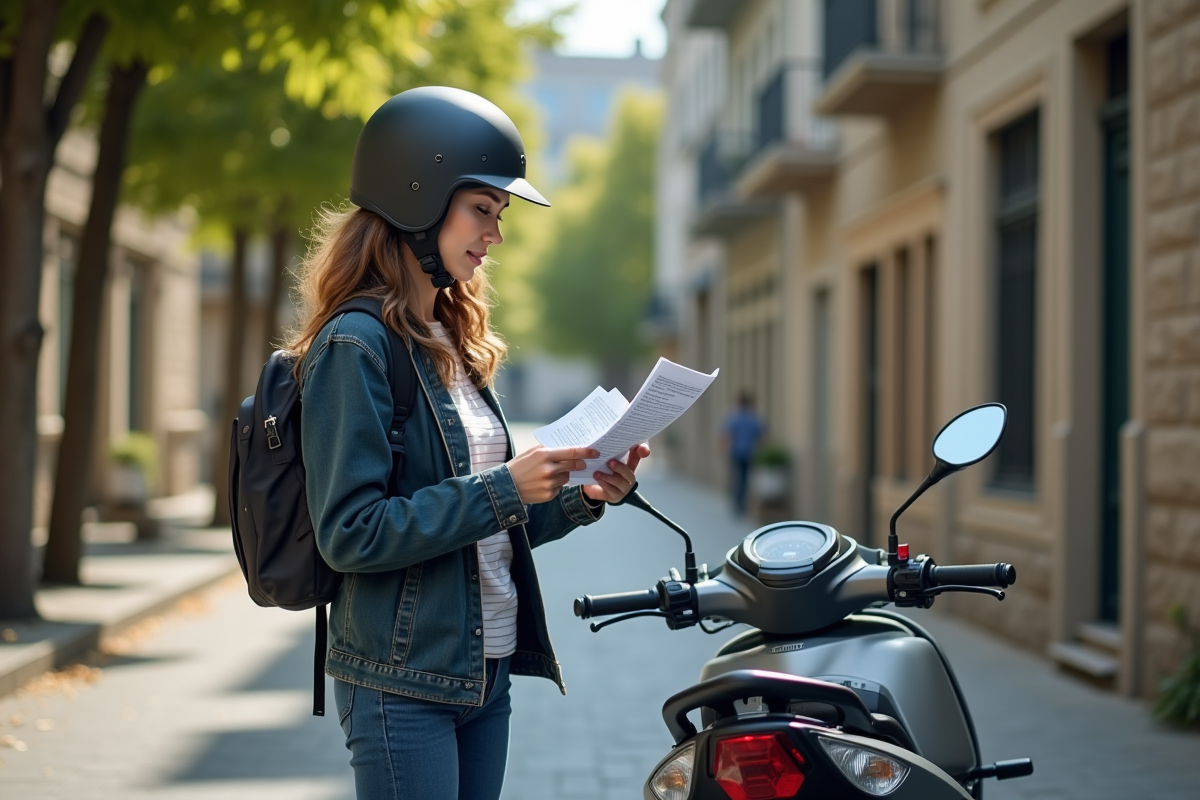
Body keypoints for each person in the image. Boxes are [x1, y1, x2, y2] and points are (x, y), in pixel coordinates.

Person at [287, 86, 649, 800]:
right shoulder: (355, 348)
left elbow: (482, 529)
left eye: (499, 214)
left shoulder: (449, 345)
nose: (496, 233)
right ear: (415, 196)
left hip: (485, 672)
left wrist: (581, 495)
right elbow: (350, 533)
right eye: (483, 209)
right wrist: (504, 487)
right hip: (401, 682)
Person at [721, 391, 765, 515]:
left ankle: (738, 503)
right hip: (749, 453)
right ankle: (742, 503)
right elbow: (762, 435)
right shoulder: (754, 418)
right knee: (745, 478)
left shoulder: (734, 418)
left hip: (736, 452)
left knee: (737, 477)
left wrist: (724, 449)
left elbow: (727, 436)